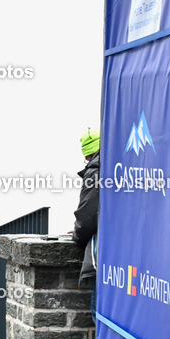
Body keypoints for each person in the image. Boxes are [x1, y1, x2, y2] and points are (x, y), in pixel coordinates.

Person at [72, 128, 100, 317]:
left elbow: (88, 216)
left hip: (107, 258)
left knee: (99, 312)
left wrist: (77, 235)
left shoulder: (96, 170)